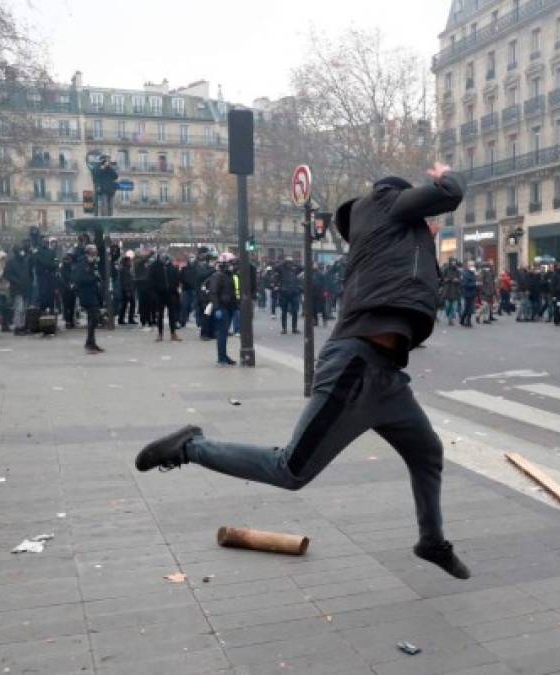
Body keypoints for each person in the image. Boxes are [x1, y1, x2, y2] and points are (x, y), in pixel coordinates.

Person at [136, 164, 470, 580]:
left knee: (428, 452)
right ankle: (190, 447)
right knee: (290, 470)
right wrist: (444, 176)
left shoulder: (386, 236)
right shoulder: (385, 202)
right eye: (423, 213)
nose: (426, 219)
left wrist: (425, 237)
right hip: (355, 366)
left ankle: (431, 541)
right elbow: (450, 192)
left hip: (386, 375)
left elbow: (412, 283)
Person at [208, 253, 238, 365]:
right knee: (222, 333)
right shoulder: (218, 276)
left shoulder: (229, 275)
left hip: (229, 307)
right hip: (222, 307)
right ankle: (221, 357)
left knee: (224, 333)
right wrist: (217, 308)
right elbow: (213, 293)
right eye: (230, 263)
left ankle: (223, 356)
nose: (232, 266)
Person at [74, 245, 104, 353]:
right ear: (88, 253)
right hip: (86, 294)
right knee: (94, 317)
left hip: (93, 293)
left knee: (93, 318)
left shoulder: (92, 264)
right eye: (93, 252)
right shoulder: (82, 263)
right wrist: (94, 278)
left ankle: (91, 342)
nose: (95, 254)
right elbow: (80, 279)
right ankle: (89, 343)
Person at [149, 251, 182, 342]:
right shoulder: (154, 267)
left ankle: (173, 333)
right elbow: (151, 281)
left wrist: (175, 289)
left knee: (172, 314)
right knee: (160, 315)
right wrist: (154, 293)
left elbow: (177, 278)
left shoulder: (172, 266)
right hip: (159, 294)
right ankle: (160, 334)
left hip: (171, 293)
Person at [4, 243, 32, 335]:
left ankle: (22, 326)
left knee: (24, 309)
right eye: (20, 250)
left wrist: (29, 282)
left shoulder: (25, 261)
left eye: (22, 249)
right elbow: (6, 274)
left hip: (26, 288)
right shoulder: (10, 262)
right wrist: (16, 281)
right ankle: (17, 327)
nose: (22, 252)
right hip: (16, 289)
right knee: (18, 308)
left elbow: (29, 273)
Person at [275, 256, 302, 335]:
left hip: (294, 292)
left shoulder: (295, 269)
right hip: (284, 292)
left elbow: (302, 268)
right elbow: (276, 268)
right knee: (284, 311)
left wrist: (294, 262)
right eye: (288, 262)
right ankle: (284, 328)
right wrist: (284, 262)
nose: (289, 264)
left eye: (290, 262)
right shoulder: (282, 269)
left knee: (295, 311)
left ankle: (294, 328)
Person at [441, 260, 461, 326]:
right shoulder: (446, 270)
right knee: (447, 306)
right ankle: (448, 315)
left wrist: (457, 280)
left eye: (454, 262)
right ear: (450, 263)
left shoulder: (457, 271)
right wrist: (446, 279)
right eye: (452, 262)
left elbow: (460, 279)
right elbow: (442, 278)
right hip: (447, 290)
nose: (454, 263)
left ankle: (451, 319)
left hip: (455, 290)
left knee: (454, 307)